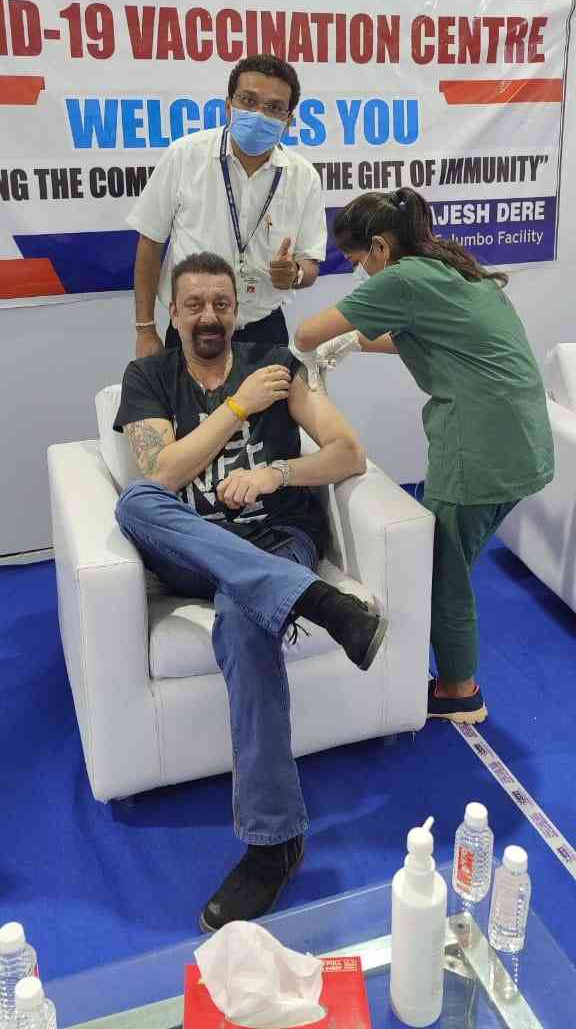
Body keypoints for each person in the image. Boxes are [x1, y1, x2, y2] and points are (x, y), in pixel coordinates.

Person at [114, 251, 387, 931]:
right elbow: (162, 472)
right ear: (173, 314)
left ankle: (273, 845)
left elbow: (348, 453)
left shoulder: (279, 365)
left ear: (238, 309)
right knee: (137, 503)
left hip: (274, 543)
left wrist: (277, 476)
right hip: (194, 552)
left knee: (243, 621)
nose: (209, 316)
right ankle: (318, 602)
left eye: (221, 303)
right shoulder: (148, 375)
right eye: (194, 304)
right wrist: (237, 407)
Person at [294, 189, 554, 725]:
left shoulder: (402, 278)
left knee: (442, 567)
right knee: (453, 558)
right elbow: (435, 333)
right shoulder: (451, 266)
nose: (359, 271)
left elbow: (305, 332)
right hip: (523, 441)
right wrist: (359, 344)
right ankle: (455, 675)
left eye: (358, 259)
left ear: (381, 247)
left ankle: (459, 689)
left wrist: (328, 343)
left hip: (477, 443)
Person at [128, 54, 326, 358]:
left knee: (270, 406)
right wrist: (144, 329)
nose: (259, 114)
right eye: (248, 100)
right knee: (185, 408)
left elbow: (310, 263)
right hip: (191, 326)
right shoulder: (184, 156)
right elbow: (150, 243)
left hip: (263, 331)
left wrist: (295, 274)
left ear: (289, 120)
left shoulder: (304, 177)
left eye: (273, 108)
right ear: (228, 106)